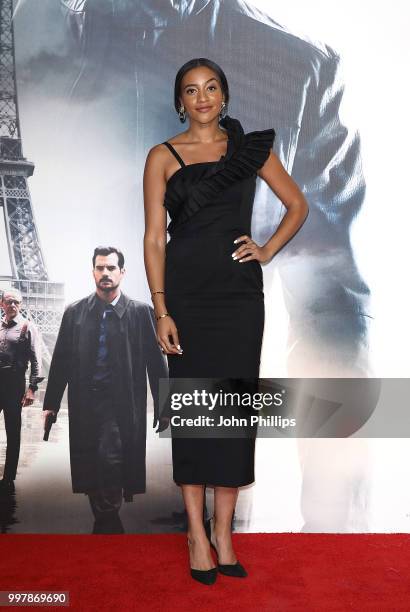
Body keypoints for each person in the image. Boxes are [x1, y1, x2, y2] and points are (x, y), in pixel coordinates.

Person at [143, 58, 308, 584]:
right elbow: (153, 239)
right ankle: (195, 533)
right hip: (186, 300)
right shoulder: (162, 157)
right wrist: (161, 308)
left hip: (238, 300)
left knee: (233, 417)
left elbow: (296, 206)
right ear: (179, 102)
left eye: (212, 87)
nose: (203, 97)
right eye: (191, 90)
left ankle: (224, 533)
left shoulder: (250, 150)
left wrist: (266, 250)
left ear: (225, 96)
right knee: (195, 415)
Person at [43, 247, 168, 534]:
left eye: (111, 268)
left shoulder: (140, 313)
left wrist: (165, 405)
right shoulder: (74, 313)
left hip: (121, 402)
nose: (105, 274)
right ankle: (106, 521)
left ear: (122, 273)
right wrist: (50, 404)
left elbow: (155, 363)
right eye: (100, 268)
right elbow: (60, 360)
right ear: (93, 272)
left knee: (110, 457)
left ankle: (107, 519)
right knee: (91, 460)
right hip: (85, 401)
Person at [0, 288, 43, 494]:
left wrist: (32, 389)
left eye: (16, 302)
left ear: (21, 304)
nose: (13, 305)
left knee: (13, 432)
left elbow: (36, 360)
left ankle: (8, 479)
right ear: (2, 304)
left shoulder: (28, 327)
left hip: (14, 383)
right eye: (9, 302)